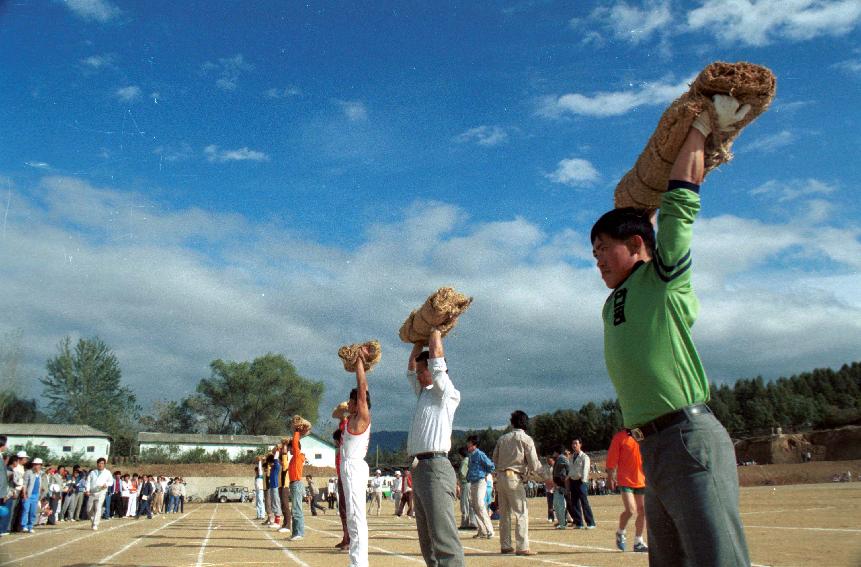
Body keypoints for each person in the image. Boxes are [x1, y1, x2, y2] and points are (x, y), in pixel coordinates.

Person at [591, 94, 752, 566]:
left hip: (688, 437)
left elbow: (680, 205)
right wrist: (641, 209)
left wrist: (699, 128)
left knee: (715, 558)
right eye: (593, 253)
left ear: (637, 244)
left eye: (603, 248)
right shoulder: (614, 302)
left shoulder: (662, 277)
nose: (597, 260)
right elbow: (652, 216)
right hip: (653, 448)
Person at [406, 326, 464, 567]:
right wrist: (418, 339)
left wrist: (436, 332)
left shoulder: (447, 393)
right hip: (420, 469)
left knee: (443, 539)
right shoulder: (424, 393)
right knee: (427, 541)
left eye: (423, 371)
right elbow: (410, 368)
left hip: (436, 467)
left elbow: (438, 363)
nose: (418, 376)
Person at [492, 410, 541, 556]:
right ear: (525, 423)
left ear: (512, 423)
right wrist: (546, 475)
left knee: (505, 514)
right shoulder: (526, 439)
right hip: (514, 478)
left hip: (500, 477)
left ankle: (505, 545)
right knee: (521, 513)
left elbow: (494, 458)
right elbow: (534, 464)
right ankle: (522, 546)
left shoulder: (502, 439)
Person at [341, 349, 372, 567]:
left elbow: (362, 389)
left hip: (354, 468)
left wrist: (360, 363)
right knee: (353, 516)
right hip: (349, 467)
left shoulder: (362, 417)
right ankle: (357, 562)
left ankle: (359, 564)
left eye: (352, 402)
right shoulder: (350, 419)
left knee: (356, 517)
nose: (349, 405)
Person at [606, 429, 648, 552]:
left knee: (643, 511)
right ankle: (621, 532)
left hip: (641, 478)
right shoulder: (620, 437)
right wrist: (610, 477)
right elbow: (612, 459)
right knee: (630, 510)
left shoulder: (643, 435)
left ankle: (638, 541)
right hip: (625, 479)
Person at [465, 435, 495, 539]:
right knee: (475, 506)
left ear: (474, 444)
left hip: (480, 481)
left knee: (480, 504)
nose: (467, 444)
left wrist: (485, 473)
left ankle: (490, 530)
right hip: (472, 482)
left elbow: (491, 465)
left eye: (469, 442)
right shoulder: (470, 456)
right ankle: (482, 530)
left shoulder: (480, 454)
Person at [567, 439, 595, 529]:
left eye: (576, 443)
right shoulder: (571, 457)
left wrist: (583, 480)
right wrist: (568, 477)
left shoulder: (584, 457)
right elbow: (571, 469)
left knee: (584, 502)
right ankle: (579, 523)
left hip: (581, 481)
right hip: (573, 481)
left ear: (580, 445)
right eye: (573, 443)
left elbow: (586, 469)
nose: (574, 445)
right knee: (574, 502)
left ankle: (591, 523)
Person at [287, 424, 306, 541]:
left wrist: (297, 431)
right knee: (294, 509)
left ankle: (299, 533)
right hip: (294, 484)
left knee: (297, 509)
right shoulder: (294, 458)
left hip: (297, 483)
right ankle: (295, 533)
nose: (289, 450)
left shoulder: (298, 455)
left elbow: (295, 442)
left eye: (290, 448)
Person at [332, 428, 350, 550]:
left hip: (345, 479)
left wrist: (343, 417)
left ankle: (348, 539)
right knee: (343, 511)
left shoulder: (343, 450)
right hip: (341, 478)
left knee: (346, 511)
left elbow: (344, 430)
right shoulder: (339, 451)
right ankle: (346, 537)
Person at [21, 457, 46, 532]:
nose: (37, 466)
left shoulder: (41, 473)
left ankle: (30, 526)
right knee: (26, 510)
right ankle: (24, 526)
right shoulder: (28, 472)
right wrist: (24, 494)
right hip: (28, 495)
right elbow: (24, 484)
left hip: (36, 495)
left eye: (38, 465)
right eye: (35, 464)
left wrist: (41, 489)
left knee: (33, 512)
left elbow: (39, 484)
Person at [455, 446, 475, 530]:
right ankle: (472, 522)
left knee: (464, 503)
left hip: (465, 484)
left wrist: (458, 480)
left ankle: (465, 523)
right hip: (470, 483)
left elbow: (463, 473)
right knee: (470, 503)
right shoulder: (470, 460)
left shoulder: (464, 462)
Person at [551, 446, 570, 529]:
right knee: (557, 504)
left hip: (561, 484)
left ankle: (563, 523)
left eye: (554, 452)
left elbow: (568, 467)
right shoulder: (559, 459)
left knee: (560, 504)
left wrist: (567, 478)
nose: (553, 454)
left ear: (556, 452)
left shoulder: (562, 458)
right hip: (558, 485)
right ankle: (561, 522)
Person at [542, 456, 556, 523]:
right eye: (548, 461)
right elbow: (544, 476)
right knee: (550, 503)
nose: (549, 463)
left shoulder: (556, 467)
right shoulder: (545, 467)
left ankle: (560, 517)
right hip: (548, 487)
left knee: (558, 503)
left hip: (556, 487)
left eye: (550, 461)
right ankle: (550, 517)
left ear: (553, 461)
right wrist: (548, 482)